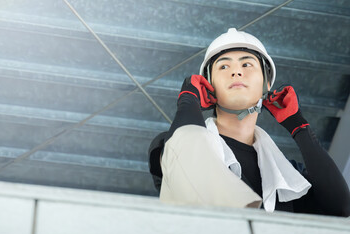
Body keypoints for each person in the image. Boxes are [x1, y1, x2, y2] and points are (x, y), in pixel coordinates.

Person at [148, 28, 350, 216]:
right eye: (224, 66)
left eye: (247, 64)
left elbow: (339, 208)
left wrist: (300, 128)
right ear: (208, 85)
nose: (236, 72)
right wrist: (187, 103)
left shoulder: (288, 176)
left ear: (266, 83)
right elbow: (186, 153)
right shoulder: (170, 145)